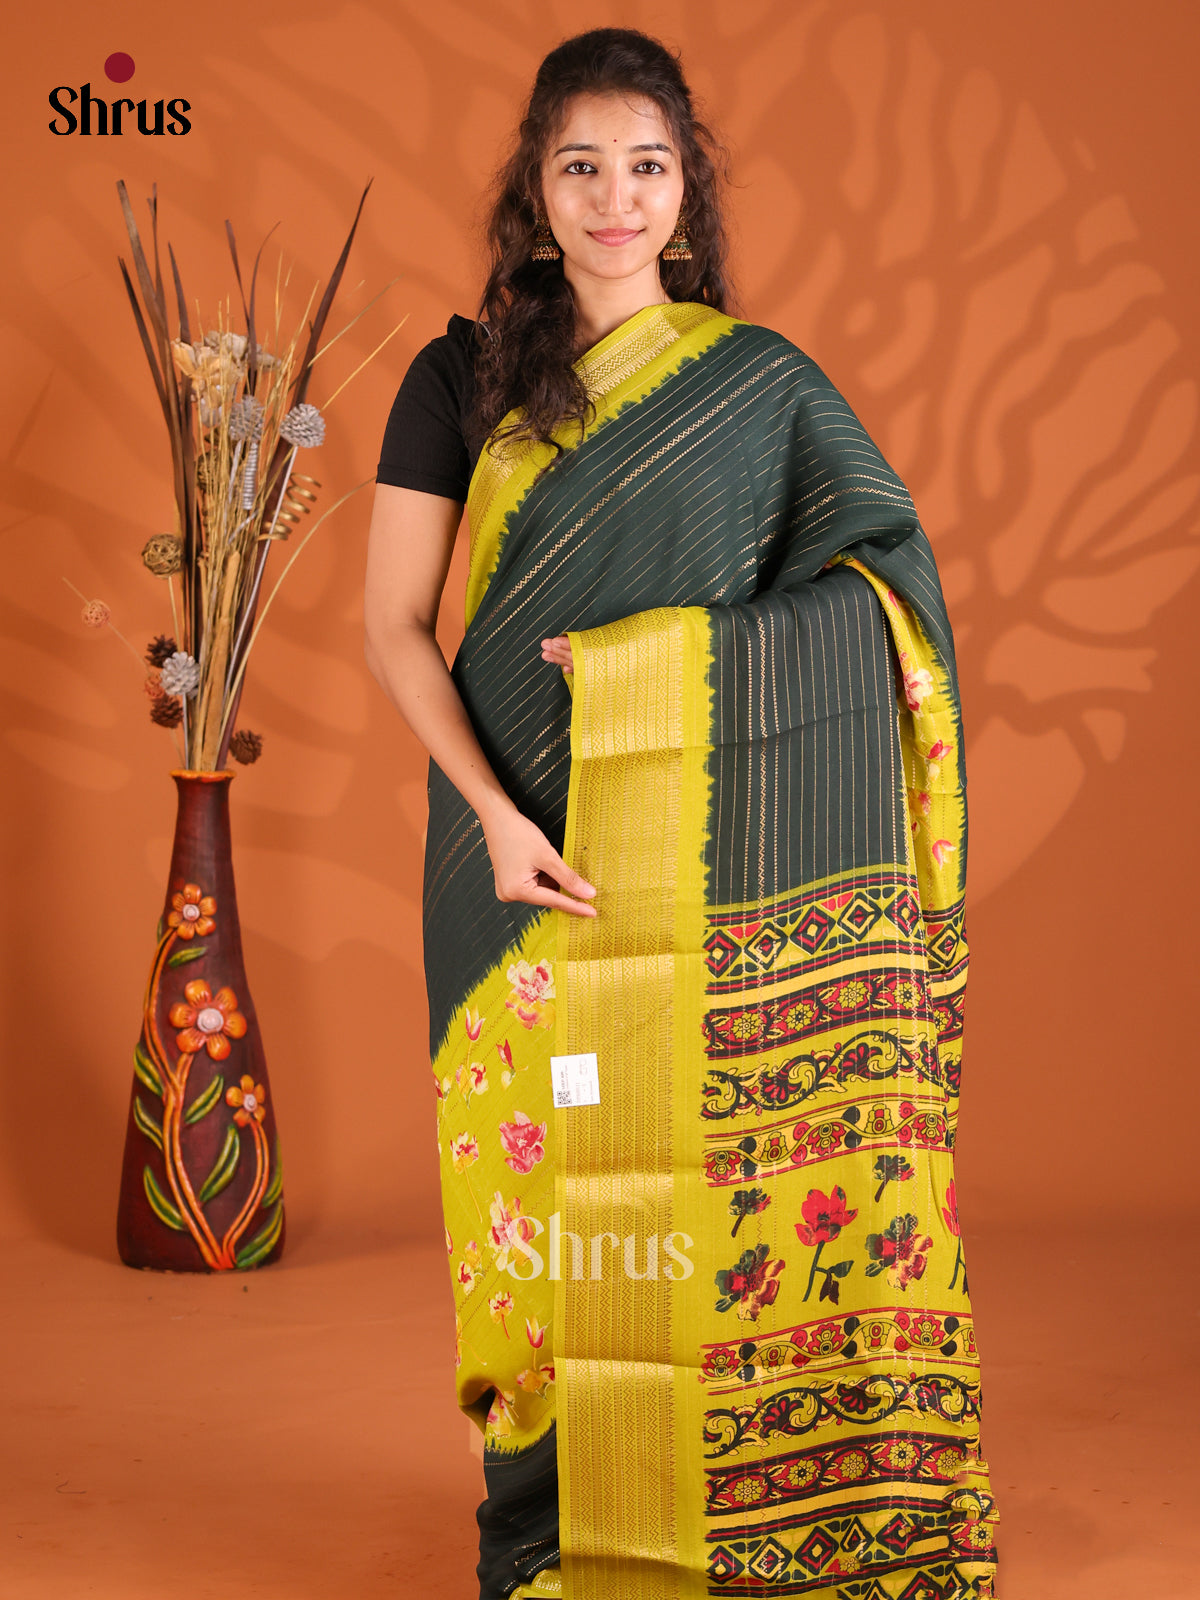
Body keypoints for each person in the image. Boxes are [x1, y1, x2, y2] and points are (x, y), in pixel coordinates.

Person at [364, 26, 998, 1600]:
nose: (614, 200)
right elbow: (394, 626)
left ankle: (727, 1520)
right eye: (580, 166)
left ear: (687, 189)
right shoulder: (458, 379)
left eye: (645, 166)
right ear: (535, 186)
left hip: (694, 865)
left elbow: (883, 593)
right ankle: (549, 1537)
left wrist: (666, 659)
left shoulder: (758, 389)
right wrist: (493, 814)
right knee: (538, 1211)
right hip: (510, 853)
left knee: (688, 1186)